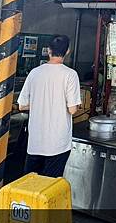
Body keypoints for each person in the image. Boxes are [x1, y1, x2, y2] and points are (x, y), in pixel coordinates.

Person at [17, 35, 81, 177]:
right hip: (58, 144)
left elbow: (22, 105)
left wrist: (40, 103)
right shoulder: (70, 75)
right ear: (68, 51)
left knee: (30, 185)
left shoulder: (34, 73)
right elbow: (72, 109)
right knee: (48, 187)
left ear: (48, 50)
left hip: (35, 142)